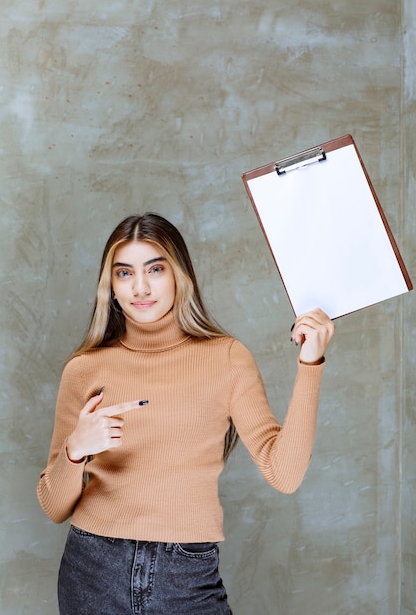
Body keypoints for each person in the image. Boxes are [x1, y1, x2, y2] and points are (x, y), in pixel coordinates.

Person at [37, 212, 335, 615]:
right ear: (111, 284)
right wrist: (76, 450)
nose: (139, 287)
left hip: (186, 574)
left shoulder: (227, 358)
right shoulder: (85, 368)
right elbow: (54, 507)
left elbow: (284, 474)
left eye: (155, 269)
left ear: (179, 274)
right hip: (92, 569)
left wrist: (310, 363)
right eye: (124, 273)